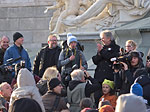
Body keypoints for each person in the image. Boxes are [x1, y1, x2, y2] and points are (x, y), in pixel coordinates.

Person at [92, 30, 120, 106]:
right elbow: (95, 60)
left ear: (109, 38)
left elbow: (111, 58)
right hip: (99, 77)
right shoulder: (102, 48)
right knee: (98, 97)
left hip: (108, 77)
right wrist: (99, 53)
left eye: (103, 38)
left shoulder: (116, 48)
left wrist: (102, 52)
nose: (102, 40)